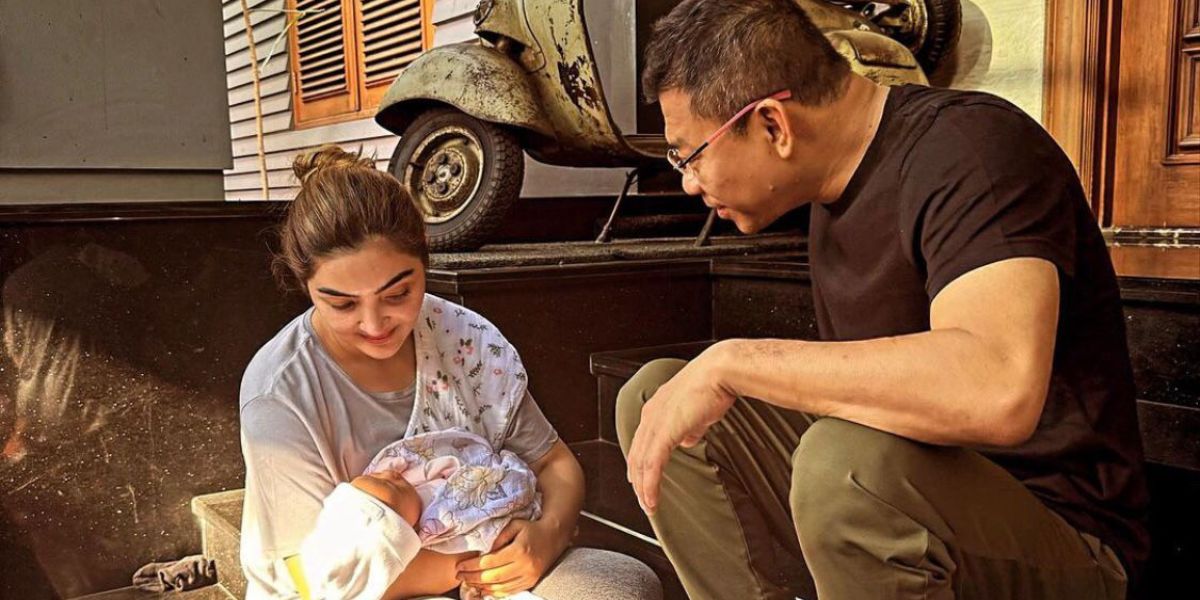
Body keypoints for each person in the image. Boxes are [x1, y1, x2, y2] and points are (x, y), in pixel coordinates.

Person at [617, 1, 1149, 599]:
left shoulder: (972, 147)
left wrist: (735, 360)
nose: (688, 182)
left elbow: (997, 387)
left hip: (1063, 536)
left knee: (846, 467)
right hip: (916, 500)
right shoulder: (829, 188)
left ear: (773, 125)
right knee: (656, 398)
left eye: (691, 154)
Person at [239, 146, 660, 600]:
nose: (375, 324)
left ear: (426, 261)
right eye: (342, 303)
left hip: (495, 562)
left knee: (621, 586)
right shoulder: (280, 393)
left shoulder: (466, 341)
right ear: (305, 286)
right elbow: (314, 576)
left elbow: (553, 462)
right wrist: (479, 568)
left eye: (399, 293)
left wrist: (547, 536)